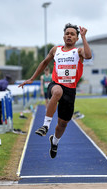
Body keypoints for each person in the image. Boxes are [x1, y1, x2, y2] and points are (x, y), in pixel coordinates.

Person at [19, 23, 92, 159]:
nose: (69, 36)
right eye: (67, 33)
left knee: (63, 124)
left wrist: (84, 37)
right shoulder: (55, 50)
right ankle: (45, 126)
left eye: (72, 34)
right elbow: (44, 63)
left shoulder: (79, 51)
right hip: (56, 84)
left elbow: (88, 56)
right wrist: (31, 78)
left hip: (70, 90)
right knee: (57, 91)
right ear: (63, 36)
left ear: (76, 39)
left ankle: (55, 141)